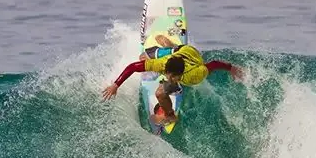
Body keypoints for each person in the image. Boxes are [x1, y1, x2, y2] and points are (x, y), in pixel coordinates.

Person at [102, 41, 244, 125]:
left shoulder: (195, 75)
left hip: (192, 54)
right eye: (168, 75)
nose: (169, 79)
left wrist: (231, 68)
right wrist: (116, 85)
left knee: (160, 93)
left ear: (180, 75)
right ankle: (169, 46)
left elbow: (213, 64)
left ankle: (170, 115)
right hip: (180, 52)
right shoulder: (163, 64)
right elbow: (133, 67)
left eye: (172, 78)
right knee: (142, 57)